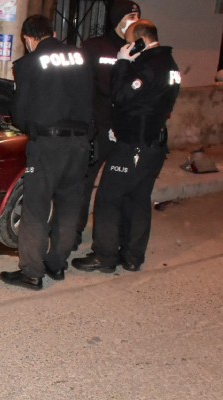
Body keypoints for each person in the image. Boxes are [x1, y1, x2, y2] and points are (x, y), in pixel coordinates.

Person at [72, 20, 181, 273]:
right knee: (138, 200)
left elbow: (121, 96)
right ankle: (132, 257)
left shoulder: (147, 66)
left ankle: (105, 256)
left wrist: (123, 62)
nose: (126, 46)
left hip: (134, 145)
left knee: (108, 198)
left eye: (130, 42)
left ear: (140, 41)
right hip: (153, 144)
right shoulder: (170, 64)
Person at [0, 15, 93, 290]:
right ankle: (56, 264)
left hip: (48, 144)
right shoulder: (81, 57)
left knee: (36, 209)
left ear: (28, 39)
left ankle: (31, 272)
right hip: (79, 143)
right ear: (53, 32)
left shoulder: (29, 64)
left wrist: (33, 128)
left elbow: (21, 113)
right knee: (68, 207)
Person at [76, 0, 141, 248]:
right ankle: (73, 234)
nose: (134, 21)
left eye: (138, 16)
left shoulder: (140, 50)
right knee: (83, 184)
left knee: (116, 190)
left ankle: (111, 245)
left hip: (124, 130)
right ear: (118, 18)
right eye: (130, 15)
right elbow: (83, 86)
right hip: (97, 129)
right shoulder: (95, 46)